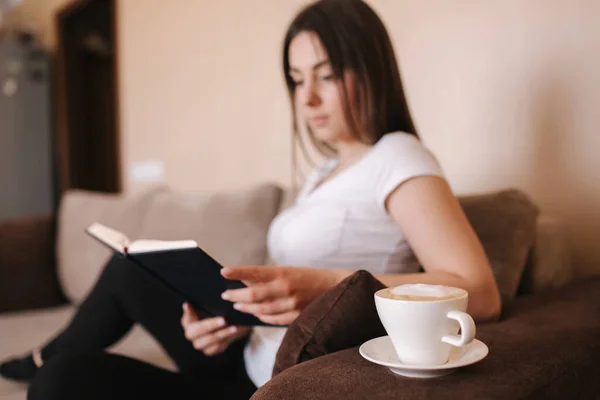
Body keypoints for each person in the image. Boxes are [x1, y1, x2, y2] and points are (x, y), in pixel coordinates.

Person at [0, 0, 501, 398]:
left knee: (62, 383)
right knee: (134, 266)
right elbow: (288, 301)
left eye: (326, 76)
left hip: (269, 385)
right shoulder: (324, 172)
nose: (306, 100)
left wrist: (329, 287)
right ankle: (50, 351)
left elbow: (478, 291)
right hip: (243, 353)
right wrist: (233, 323)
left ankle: (47, 359)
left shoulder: (398, 157)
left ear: (370, 70)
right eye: (297, 80)